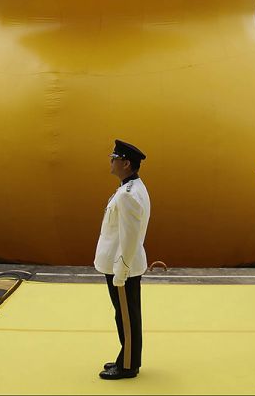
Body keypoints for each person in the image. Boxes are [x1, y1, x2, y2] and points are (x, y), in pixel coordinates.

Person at [94, 140, 151, 380]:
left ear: (126, 163)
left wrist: (122, 271)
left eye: (114, 158)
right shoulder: (130, 188)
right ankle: (126, 358)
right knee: (125, 315)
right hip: (120, 263)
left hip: (121, 265)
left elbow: (128, 238)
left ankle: (127, 365)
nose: (111, 161)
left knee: (127, 317)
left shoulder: (129, 194)